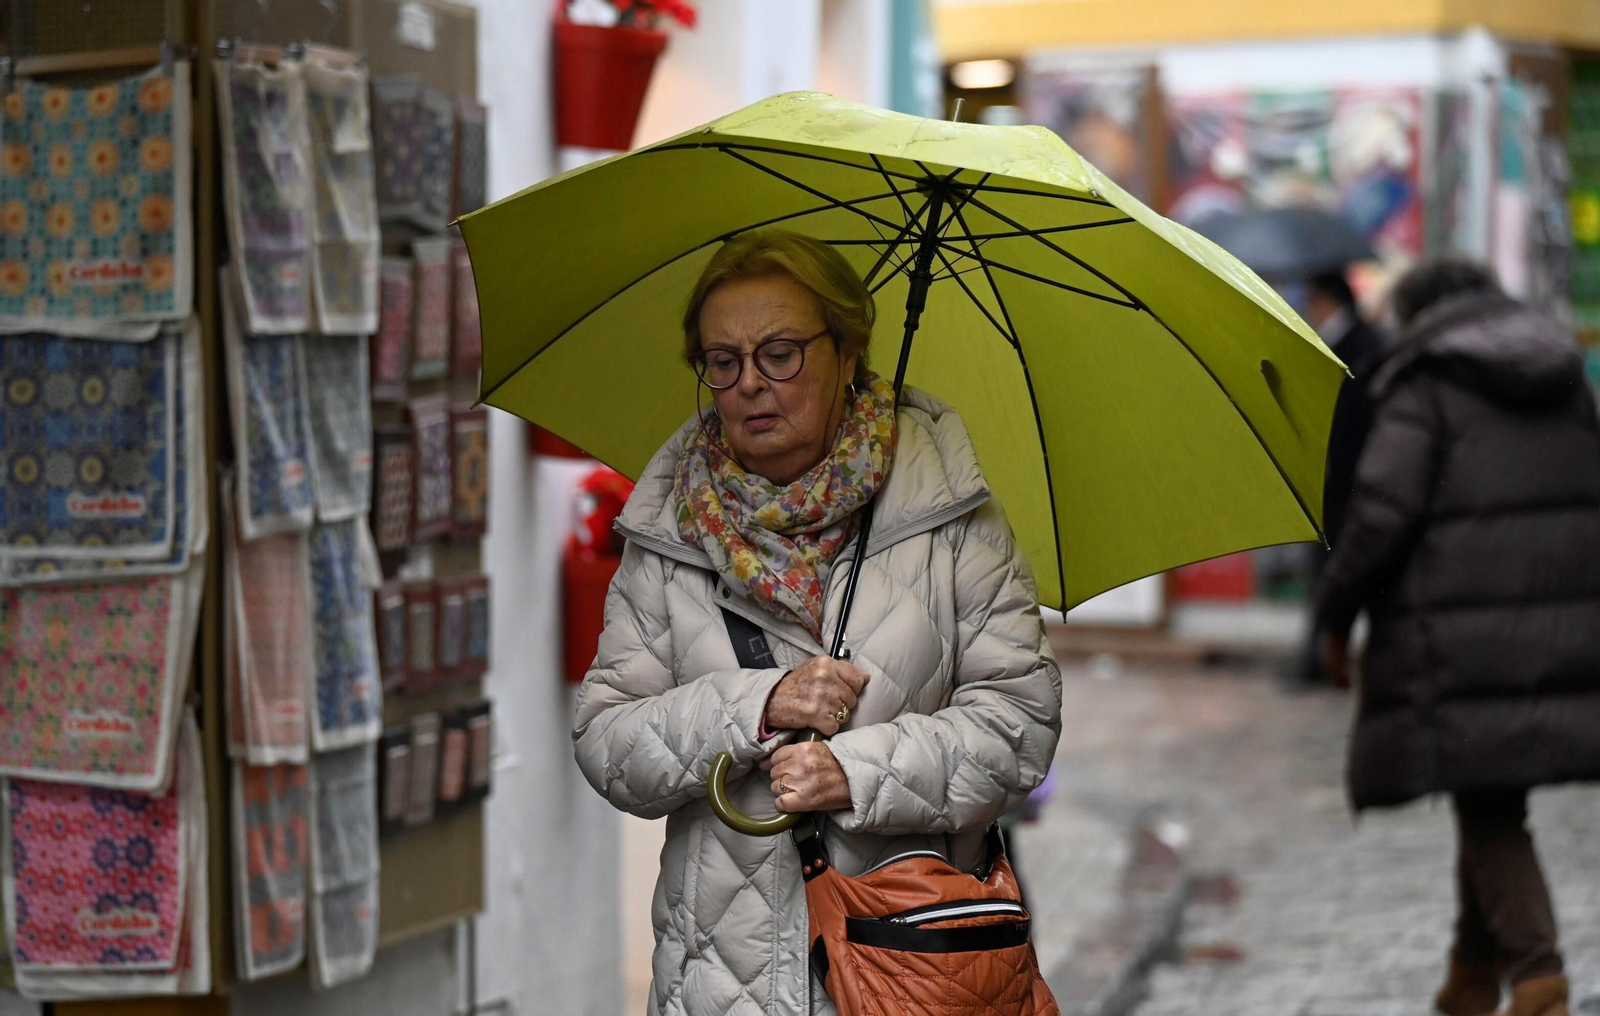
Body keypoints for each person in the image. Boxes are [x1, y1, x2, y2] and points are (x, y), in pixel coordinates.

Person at [572, 229, 1064, 1016]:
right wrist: (757, 708)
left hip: (915, 970)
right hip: (723, 984)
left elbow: (1020, 725)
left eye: (781, 352)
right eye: (723, 361)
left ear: (847, 352)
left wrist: (856, 773)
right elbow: (606, 741)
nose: (750, 385)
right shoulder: (667, 535)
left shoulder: (950, 518)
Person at [1316, 260, 1600, 1016]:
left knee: (1488, 803)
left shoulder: (1424, 380)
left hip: (1458, 633)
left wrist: (1335, 616)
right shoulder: (1564, 375)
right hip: (1558, 620)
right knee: (1490, 787)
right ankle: (1471, 976)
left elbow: (1380, 513)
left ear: (1419, 314)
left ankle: (1539, 977)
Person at [1284, 269, 1384, 686]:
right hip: (1339, 485)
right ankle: (1317, 660)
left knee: (1334, 576)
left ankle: (1320, 661)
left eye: (1312, 300)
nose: (1309, 308)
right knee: (1328, 575)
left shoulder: (1359, 346)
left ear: (1328, 300)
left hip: (1347, 487)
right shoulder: (1350, 342)